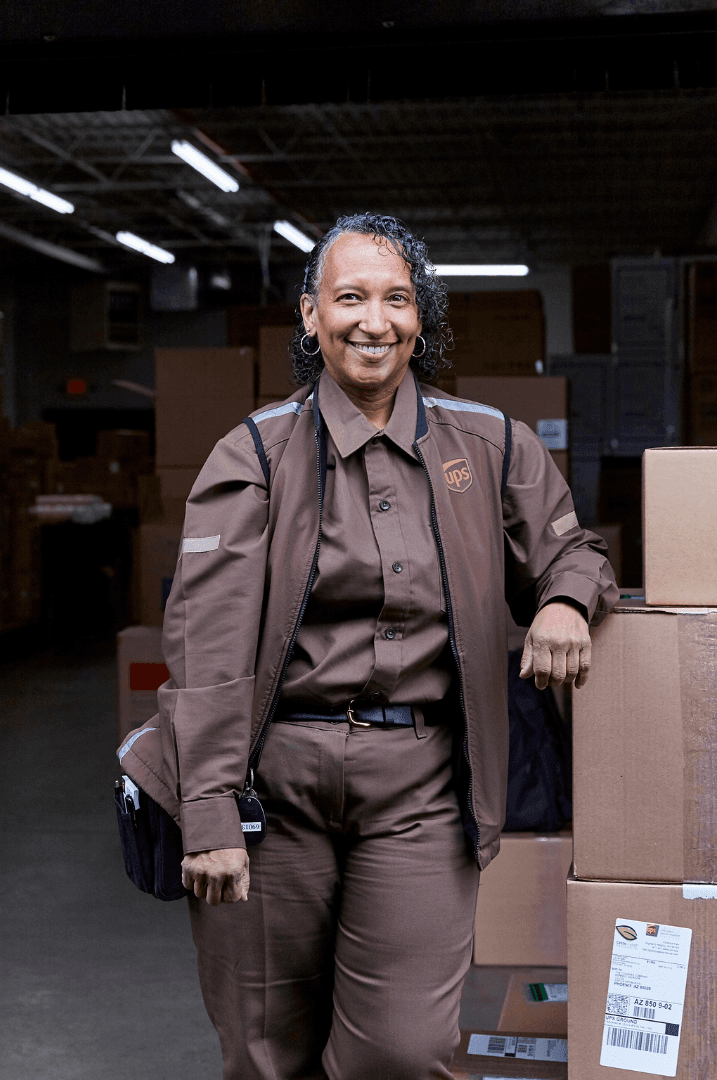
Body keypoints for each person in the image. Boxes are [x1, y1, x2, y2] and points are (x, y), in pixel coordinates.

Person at [118, 213, 618, 1078]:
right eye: (349, 297)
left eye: (397, 299)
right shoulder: (255, 456)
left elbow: (574, 550)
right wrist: (209, 816)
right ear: (310, 316)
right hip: (268, 787)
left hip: (420, 784)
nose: (373, 321)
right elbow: (206, 649)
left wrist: (565, 603)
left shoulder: (491, 446)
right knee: (267, 1049)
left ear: (422, 317)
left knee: (402, 1048)